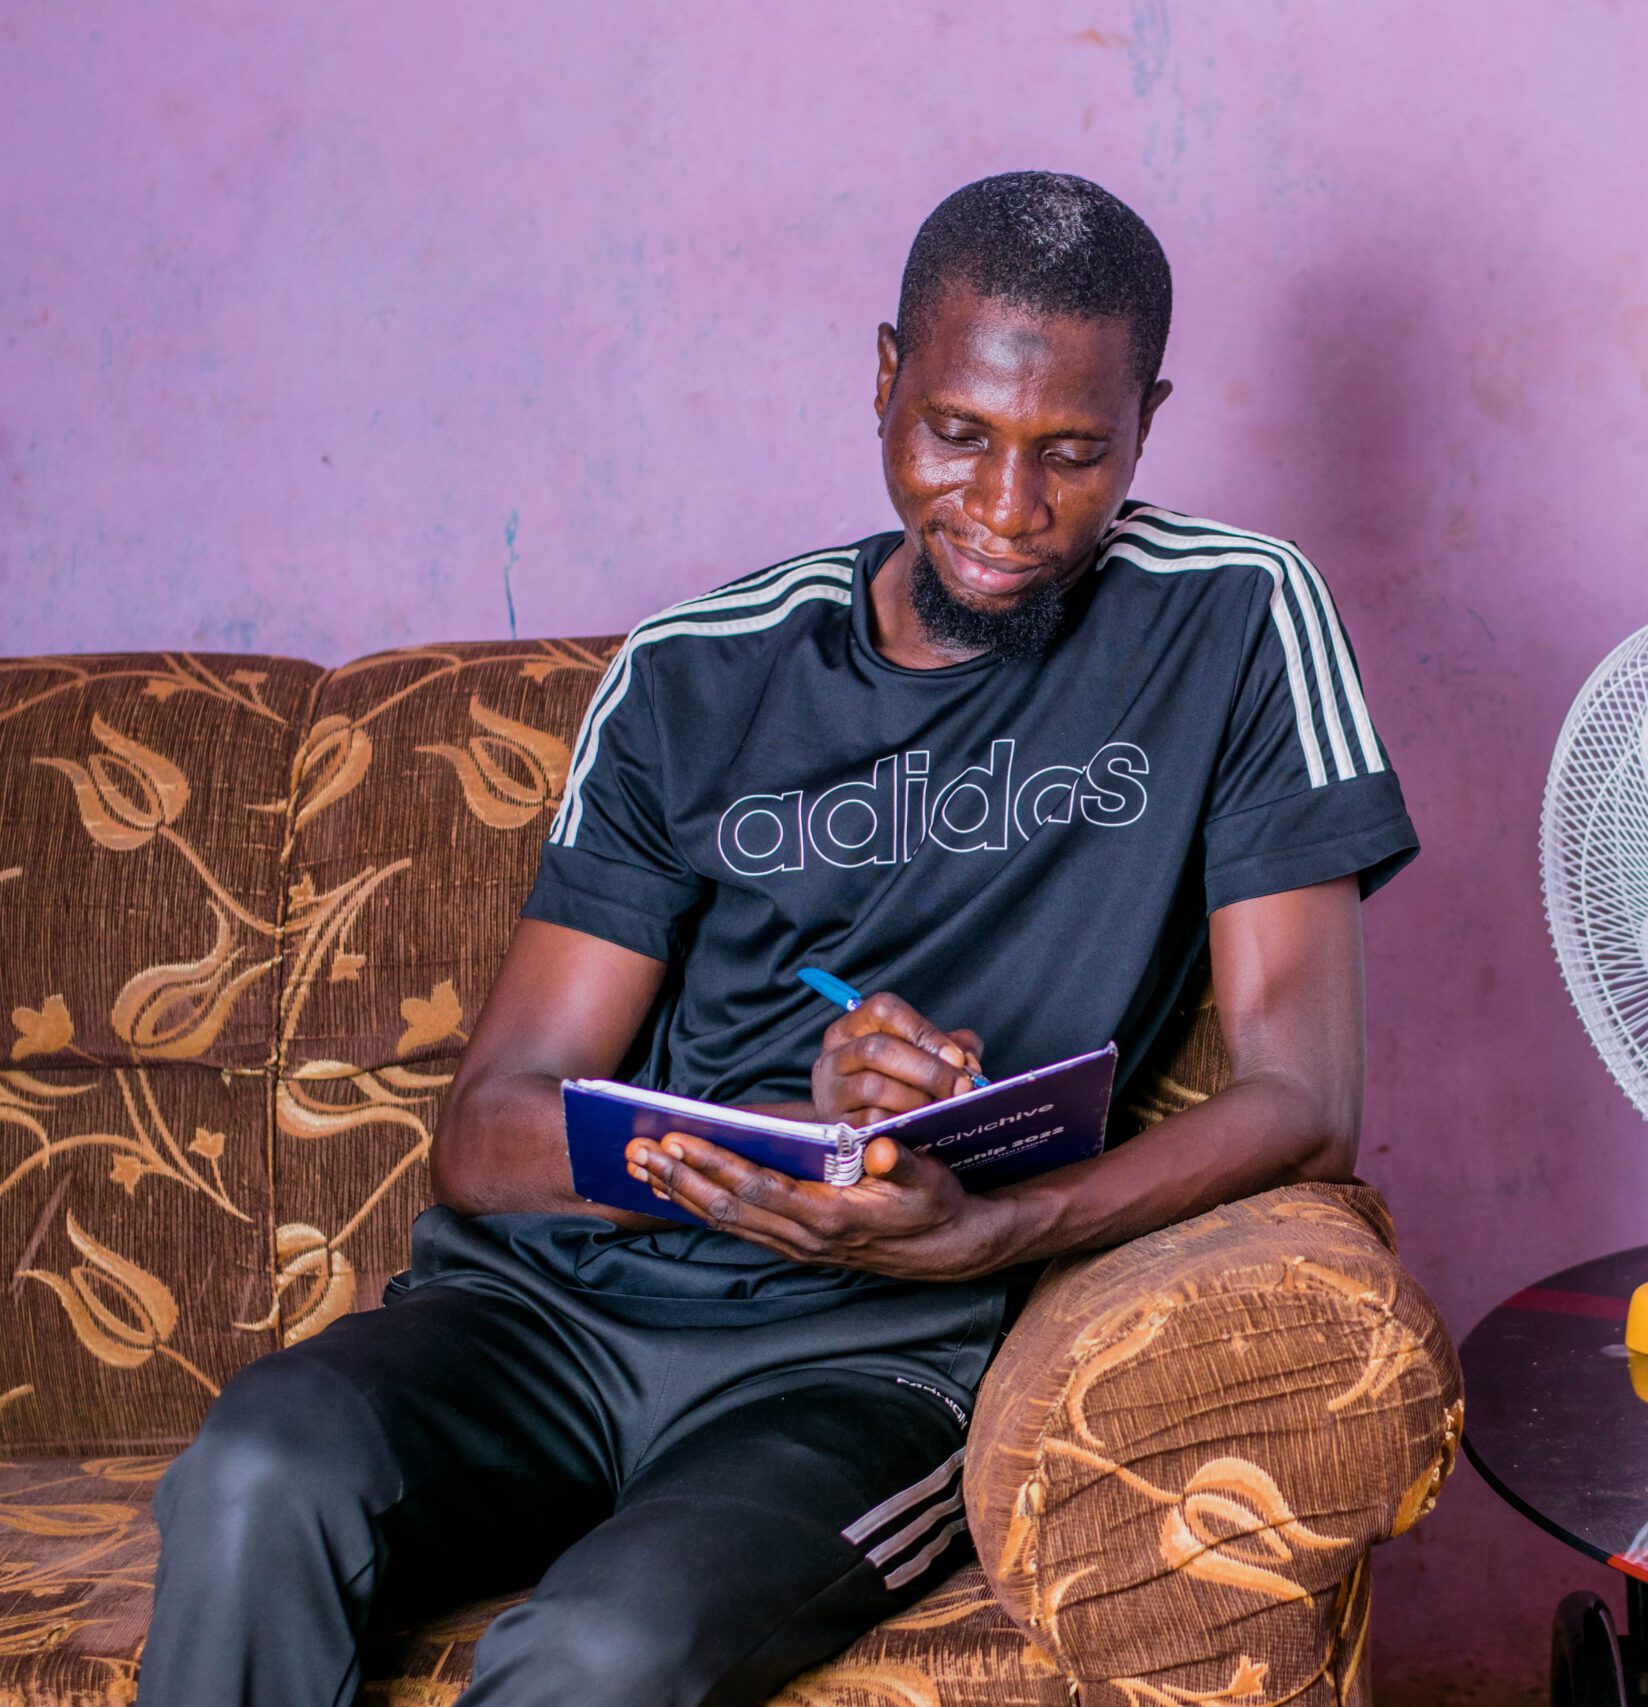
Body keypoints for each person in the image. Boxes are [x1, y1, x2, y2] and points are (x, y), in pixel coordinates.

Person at [139, 171, 1417, 1707]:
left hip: (863, 1368)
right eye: (958, 434)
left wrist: (994, 1231)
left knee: (603, 1651)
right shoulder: (699, 671)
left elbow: (1302, 1098)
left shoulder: (1231, 622)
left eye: (1072, 453)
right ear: (884, 381)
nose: (1007, 508)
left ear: (1146, 424)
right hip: (544, 1320)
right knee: (258, 1468)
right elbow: (485, 1135)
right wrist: (777, 1143)